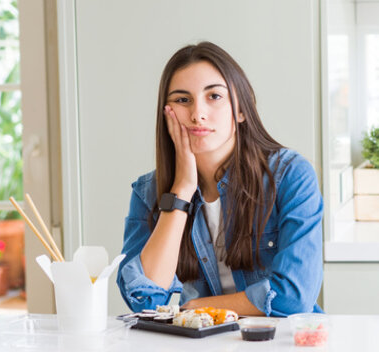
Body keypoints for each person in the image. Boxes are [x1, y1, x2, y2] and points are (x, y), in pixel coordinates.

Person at [116, 41, 323, 317]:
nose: (197, 114)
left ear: (240, 110)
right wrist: (181, 192)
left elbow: (293, 297)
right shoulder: (150, 192)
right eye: (182, 100)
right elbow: (145, 302)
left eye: (214, 96)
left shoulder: (290, 175)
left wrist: (194, 307)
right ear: (167, 113)